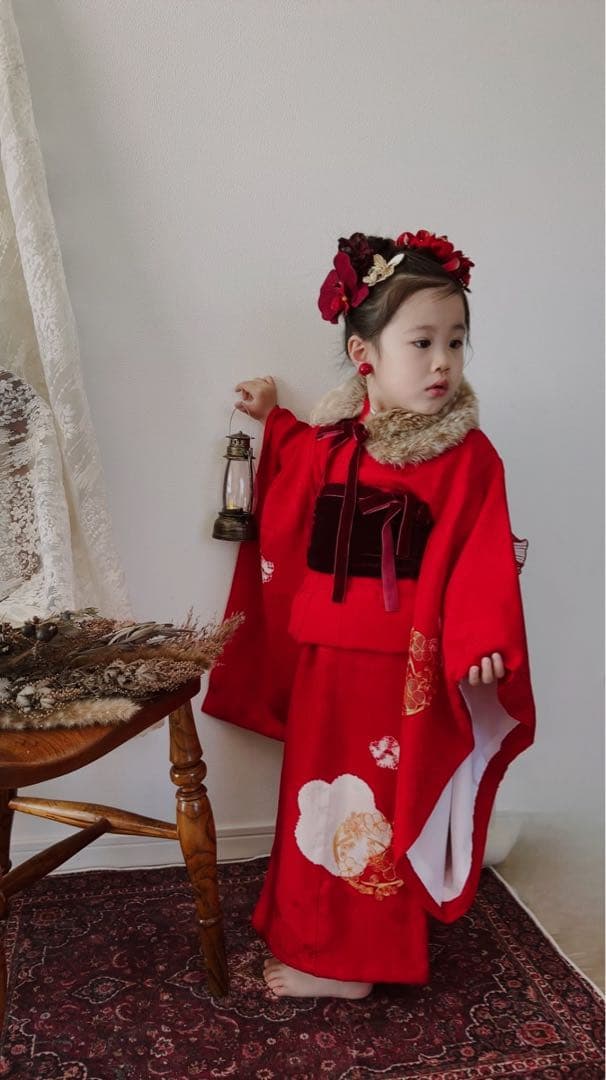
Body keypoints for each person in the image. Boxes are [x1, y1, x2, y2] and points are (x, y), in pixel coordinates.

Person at [202, 228, 536, 1000]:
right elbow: (293, 471)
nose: (443, 361)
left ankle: (359, 964)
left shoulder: (468, 457)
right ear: (364, 355)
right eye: (422, 342)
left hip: (403, 668)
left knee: (380, 807)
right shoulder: (335, 443)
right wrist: (275, 420)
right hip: (327, 654)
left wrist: (483, 640)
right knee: (318, 797)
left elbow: (481, 554)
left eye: (456, 341)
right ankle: (318, 940)